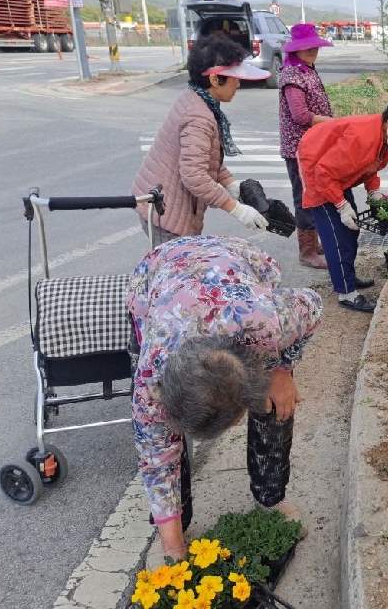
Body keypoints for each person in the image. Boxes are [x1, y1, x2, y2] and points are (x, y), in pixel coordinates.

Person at [128, 235, 323, 564]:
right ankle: (177, 523)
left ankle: (270, 498)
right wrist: (173, 547)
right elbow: (156, 457)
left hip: (234, 265)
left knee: (277, 400)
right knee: (158, 435)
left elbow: (314, 303)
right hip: (158, 274)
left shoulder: (267, 321)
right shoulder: (151, 378)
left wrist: (281, 373)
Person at [131, 35, 271, 243]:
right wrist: (237, 209)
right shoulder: (199, 116)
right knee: (177, 272)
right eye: (235, 78)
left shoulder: (196, 98)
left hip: (163, 203)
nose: (238, 84)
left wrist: (229, 183)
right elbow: (194, 175)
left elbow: (205, 155)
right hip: (167, 213)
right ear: (215, 80)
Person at [298, 96, 388, 313]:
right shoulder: (362, 138)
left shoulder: (386, 139)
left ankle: (346, 276)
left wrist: (374, 192)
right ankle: (346, 293)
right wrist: (341, 205)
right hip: (316, 165)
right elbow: (324, 172)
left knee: (351, 230)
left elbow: (370, 167)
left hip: (335, 171)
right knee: (337, 235)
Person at [278, 23, 335, 269]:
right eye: (306, 47)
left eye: (314, 46)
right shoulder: (291, 75)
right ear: (296, 49)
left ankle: (314, 242)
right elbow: (300, 115)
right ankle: (306, 251)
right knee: (304, 198)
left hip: (315, 145)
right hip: (299, 148)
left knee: (318, 193)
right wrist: (334, 123)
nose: (312, 50)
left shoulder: (308, 68)